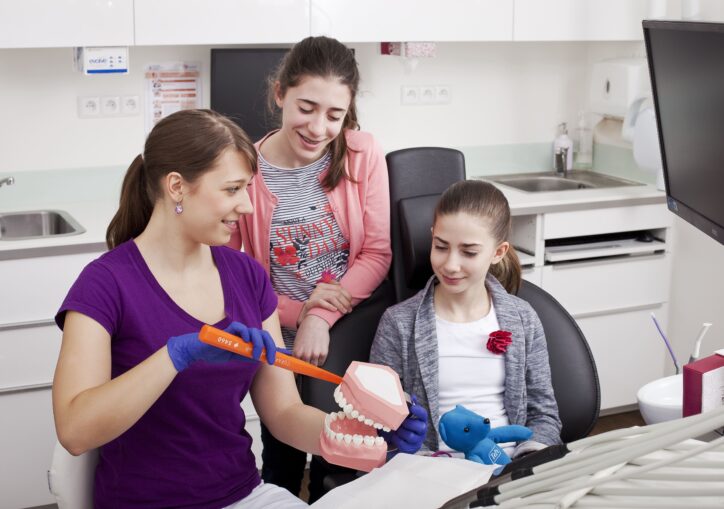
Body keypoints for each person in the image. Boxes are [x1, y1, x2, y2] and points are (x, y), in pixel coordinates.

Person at [52, 109, 422, 508]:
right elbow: (75, 431)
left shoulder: (247, 276)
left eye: (248, 188)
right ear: (177, 186)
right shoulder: (105, 283)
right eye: (232, 189)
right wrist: (175, 356)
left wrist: (366, 438)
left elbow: (284, 413)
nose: (246, 206)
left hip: (244, 494)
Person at [227, 36, 392, 501]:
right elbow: (233, 275)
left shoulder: (362, 153)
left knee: (341, 462)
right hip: (278, 338)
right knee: (280, 458)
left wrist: (319, 316)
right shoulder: (245, 169)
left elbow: (377, 253)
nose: (319, 128)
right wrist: (298, 314)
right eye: (306, 107)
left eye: (335, 115)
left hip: (349, 331)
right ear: (279, 93)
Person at [370, 180, 562, 460]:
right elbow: (377, 417)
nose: (450, 265)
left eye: (469, 252)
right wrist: (408, 452)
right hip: (430, 471)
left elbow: (544, 414)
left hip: (509, 466)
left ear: (498, 252)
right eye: (441, 246)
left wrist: (525, 462)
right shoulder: (398, 323)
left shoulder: (523, 319)